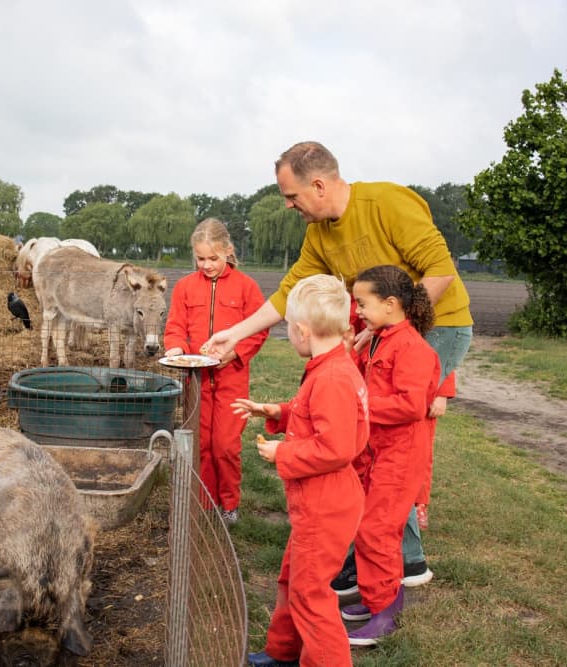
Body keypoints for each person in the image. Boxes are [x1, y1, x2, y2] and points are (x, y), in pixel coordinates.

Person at [203, 140, 474, 586]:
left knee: (386, 434)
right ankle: (395, 556)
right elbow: (292, 290)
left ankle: (381, 555)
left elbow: (441, 270)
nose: (289, 206)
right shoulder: (319, 233)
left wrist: (394, 327)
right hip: (385, 328)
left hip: (437, 326)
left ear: (318, 184)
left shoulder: (387, 202)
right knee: (369, 437)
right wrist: (236, 332)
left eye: (292, 197)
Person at [232, 274, 368, 667]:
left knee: (310, 593)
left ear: (302, 331)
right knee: (293, 579)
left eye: (288, 329)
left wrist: (283, 454)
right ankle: (284, 652)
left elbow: (336, 446)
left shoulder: (331, 377)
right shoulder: (330, 365)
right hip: (320, 501)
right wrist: (278, 411)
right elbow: (316, 414)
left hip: (324, 503)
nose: (289, 336)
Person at [338, 265, 440, 646]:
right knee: (370, 527)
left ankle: (384, 615)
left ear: (391, 303)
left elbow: (411, 406)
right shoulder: (379, 339)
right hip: (375, 450)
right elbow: (359, 381)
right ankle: (378, 597)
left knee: (377, 531)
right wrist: (350, 353)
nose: (358, 310)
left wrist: (361, 405)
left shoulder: (412, 348)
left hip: (399, 457)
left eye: (362, 303)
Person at [163, 218, 267, 524]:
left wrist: (235, 353)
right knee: (201, 443)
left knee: (225, 445)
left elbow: (258, 331)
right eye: (200, 258)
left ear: (228, 252)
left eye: (213, 258)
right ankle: (205, 503)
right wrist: (177, 349)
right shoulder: (184, 287)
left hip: (231, 377)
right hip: (196, 379)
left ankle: (229, 503)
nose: (206, 265)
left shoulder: (246, 287)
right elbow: (175, 327)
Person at [417, 371, 455, 529]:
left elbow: (445, 354)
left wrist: (442, 394)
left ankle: (418, 504)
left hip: (421, 397)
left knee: (420, 453)